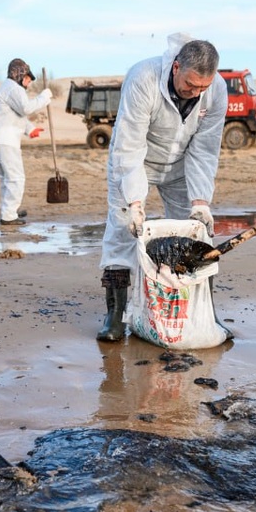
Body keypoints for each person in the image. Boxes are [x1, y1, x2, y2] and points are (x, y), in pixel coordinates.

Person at [96, 33, 228, 342]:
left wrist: (200, 201)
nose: (196, 93)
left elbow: (205, 149)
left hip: (182, 166)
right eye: (190, 85)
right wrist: (135, 204)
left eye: (203, 88)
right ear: (176, 67)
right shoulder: (143, 77)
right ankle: (115, 314)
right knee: (121, 232)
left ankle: (202, 313)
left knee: (197, 234)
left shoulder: (216, 90)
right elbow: (130, 145)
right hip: (137, 160)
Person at [0, 58, 52, 226]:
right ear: (20, 74)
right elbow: (26, 109)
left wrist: (30, 130)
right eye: (28, 78)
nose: (28, 83)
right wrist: (44, 97)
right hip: (4, 139)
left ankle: (9, 211)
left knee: (6, 178)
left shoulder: (6, 89)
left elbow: (16, 115)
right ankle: (8, 215)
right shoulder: (14, 88)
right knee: (16, 178)